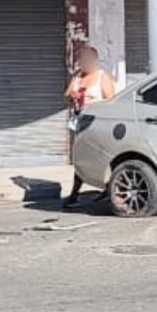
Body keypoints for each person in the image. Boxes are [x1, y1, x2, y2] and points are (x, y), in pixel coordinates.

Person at [63, 46, 115, 209]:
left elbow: (111, 100)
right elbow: (67, 95)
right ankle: (74, 193)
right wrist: (73, 94)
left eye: (86, 60)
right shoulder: (78, 77)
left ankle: (108, 189)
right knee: (80, 158)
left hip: (98, 123)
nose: (83, 64)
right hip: (80, 122)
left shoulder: (102, 77)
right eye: (81, 60)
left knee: (103, 157)